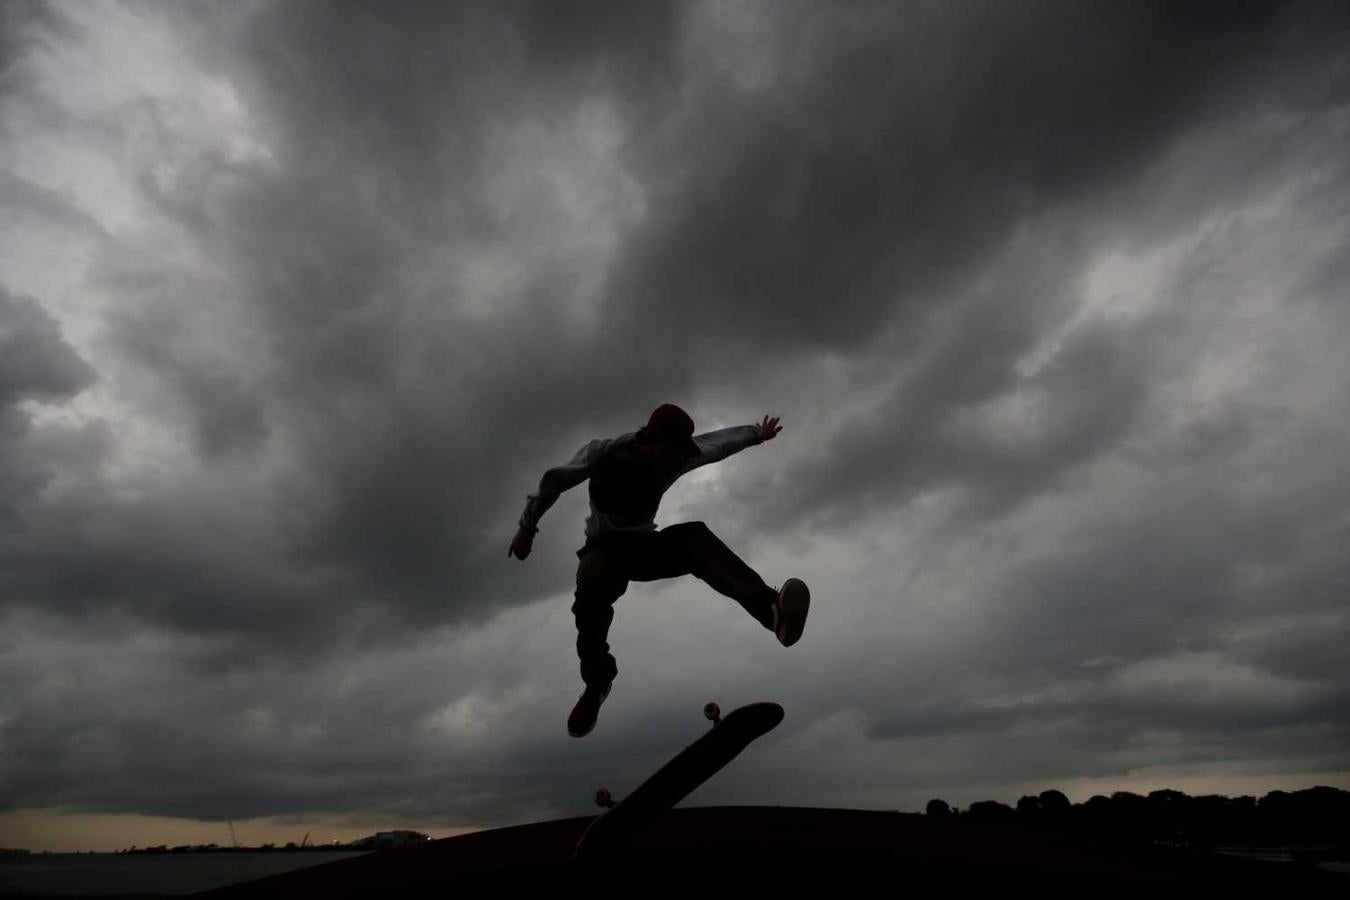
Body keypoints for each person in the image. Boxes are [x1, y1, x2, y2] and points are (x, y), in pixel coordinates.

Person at [509, 403, 810, 737]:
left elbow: (715, 446)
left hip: (644, 549)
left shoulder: (676, 456)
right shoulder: (604, 453)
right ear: (652, 441)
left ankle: (772, 612)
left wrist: (755, 434)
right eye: (672, 453)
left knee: (694, 537)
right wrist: (527, 529)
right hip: (603, 551)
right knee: (592, 580)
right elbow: (555, 480)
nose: (677, 461)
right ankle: (596, 685)